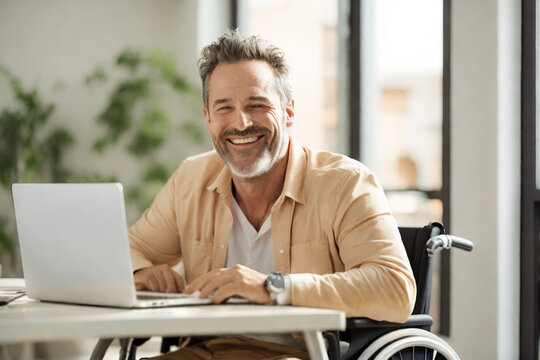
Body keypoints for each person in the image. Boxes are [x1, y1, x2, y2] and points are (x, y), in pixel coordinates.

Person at [129, 29, 416, 360]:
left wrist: (275, 287)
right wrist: (142, 272)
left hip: (298, 354)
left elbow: (395, 287)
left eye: (257, 104)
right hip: (206, 352)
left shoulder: (345, 183)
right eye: (224, 108)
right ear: (207, 119)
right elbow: (130, 249)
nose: (241, 122)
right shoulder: (191, 179)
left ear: (288, 111)